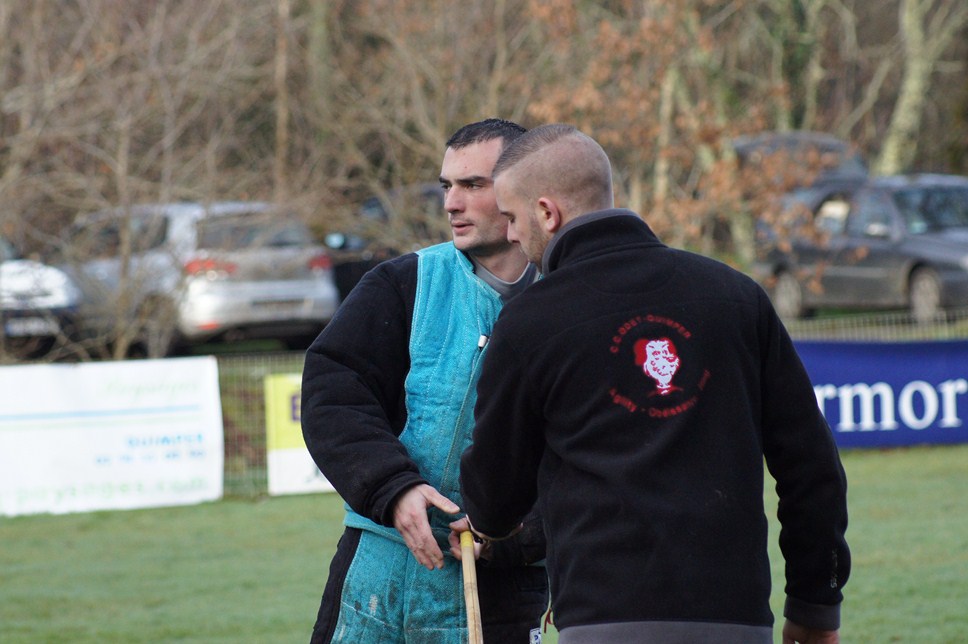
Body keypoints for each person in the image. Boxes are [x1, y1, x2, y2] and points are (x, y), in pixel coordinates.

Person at [452, 124, 851, 644]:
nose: (508, 234)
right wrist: (814, 608)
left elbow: (497, 494)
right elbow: (812, 469)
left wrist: (485, 522)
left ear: (547, 213)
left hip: (602, 622)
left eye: (510, 217)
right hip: (736, 619)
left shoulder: (529, 322)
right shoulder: (736, 297)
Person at [301, 118, 548, 644]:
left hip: (505, 590)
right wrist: (394, 488)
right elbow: (333, 394)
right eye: (447, 186)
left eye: (473, 185)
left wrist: (513, 536)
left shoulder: (572, 302)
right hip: (378, 572)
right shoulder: (401, 283)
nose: (451, 203)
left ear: (525, 192)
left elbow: (593, 456)